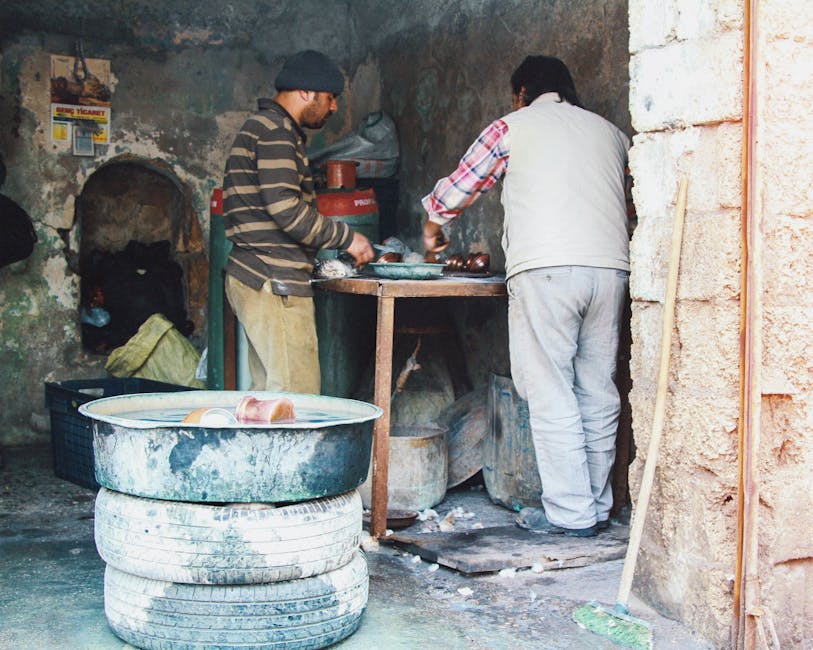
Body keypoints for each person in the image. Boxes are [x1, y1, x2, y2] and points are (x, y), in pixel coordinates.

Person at [422, 55, 631, 538]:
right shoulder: (612, 134)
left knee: (551, 389)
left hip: (547, 270)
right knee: (598, 391)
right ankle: (596, 507)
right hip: (610, 270)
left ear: (521, 94)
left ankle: (571, 515)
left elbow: (455, 192)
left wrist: (433, 226)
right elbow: (630, 201)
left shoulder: (510, 128)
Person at [223, 50, 374, 394]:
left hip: (258, 277)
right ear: (306, 92)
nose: (333, 107)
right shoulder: (276, 133)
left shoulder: (265, 128)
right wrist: (348, 238)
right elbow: (286, 210)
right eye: (330, 97)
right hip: (274, 281)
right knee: (297, 402)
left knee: (272, 399)